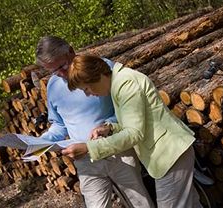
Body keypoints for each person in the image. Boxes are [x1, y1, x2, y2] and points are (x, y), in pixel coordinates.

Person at [64, 54, 202, 208]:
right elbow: (134, 124)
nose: (88, 94)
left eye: (86, 88)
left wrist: (89, 148)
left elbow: (134, 134)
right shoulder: (118, 83)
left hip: (170, 154)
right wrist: (109, 129)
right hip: (170, 154)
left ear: (96, 76)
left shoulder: (125, 84)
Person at [35, 36, 154, 208]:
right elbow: (60, 125)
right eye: (54, 71)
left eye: (62, 66)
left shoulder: (99, 68)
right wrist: (42, 141)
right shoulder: (53, 87)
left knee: (139, 202)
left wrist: (108, 125)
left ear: (71, 51)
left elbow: (127, 105)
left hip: (118, 149)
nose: (61, 74)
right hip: (85, 159)